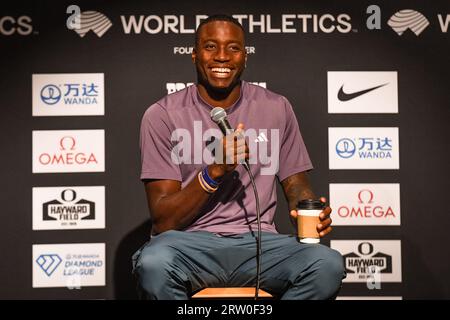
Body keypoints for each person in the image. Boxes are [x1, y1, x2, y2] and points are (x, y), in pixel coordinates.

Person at [132, 14, 345, 300]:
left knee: (327, 264)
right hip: (190, 246)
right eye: (210, 47)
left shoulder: (276, 108)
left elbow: (296, 184)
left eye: (233, 48)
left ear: (245, 57)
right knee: (153, 262)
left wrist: (307, 211)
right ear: (194, 55)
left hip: (260, 246)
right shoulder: (162, 115)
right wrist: (214, 171)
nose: (222, 57)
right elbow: (164, 220)